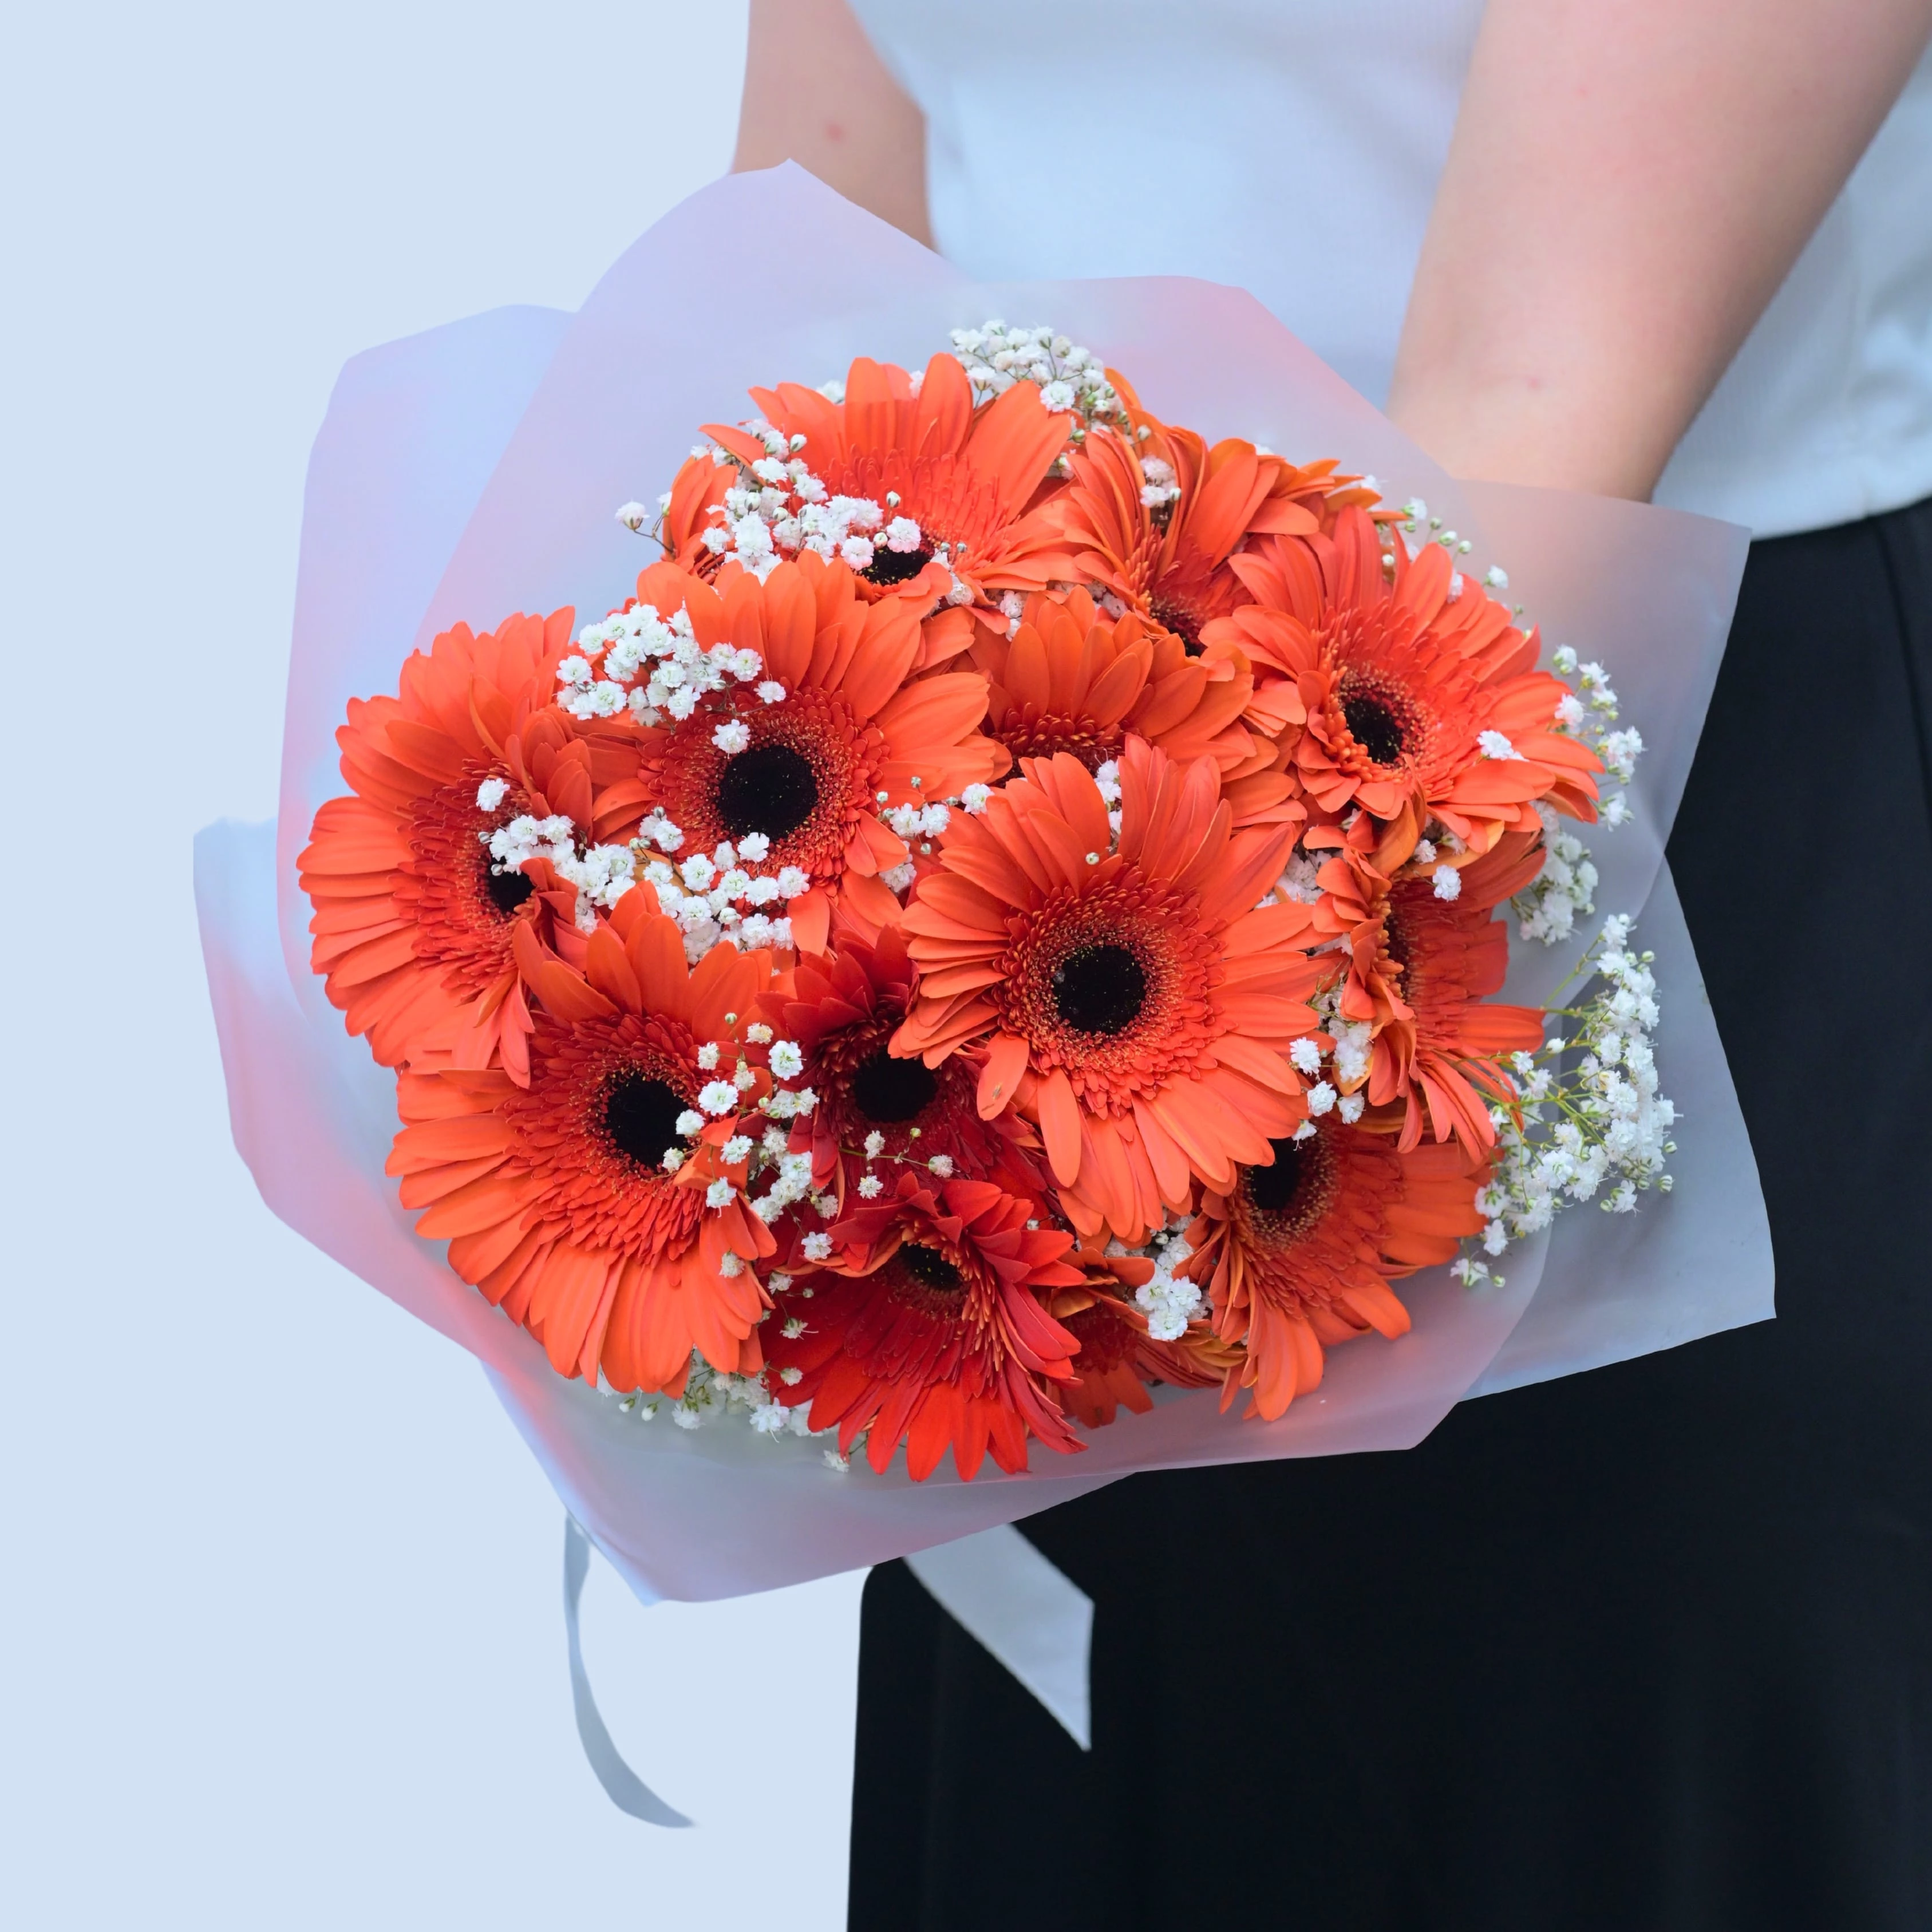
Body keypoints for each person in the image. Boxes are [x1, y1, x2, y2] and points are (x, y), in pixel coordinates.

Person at [734, 3, 1932, 1925]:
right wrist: (706, 911)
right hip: (1006, 848)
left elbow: (1530, 409)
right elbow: (813, 244)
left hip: (1580, 782)